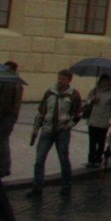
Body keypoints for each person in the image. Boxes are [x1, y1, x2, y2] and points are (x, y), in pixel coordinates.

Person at [29, 67, 81, 195]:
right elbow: (41, 111)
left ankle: (66, 185)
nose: (60, 81)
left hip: (62, 130)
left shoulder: (73, 94)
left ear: (69, 80)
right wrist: (36, 129)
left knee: (63, 158)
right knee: (39, 159)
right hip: (47, 129)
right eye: (59, 78)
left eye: (63, 79)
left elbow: (78, 113)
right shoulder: (50, 92)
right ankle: (37, 186)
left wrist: (69, 125)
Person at [85, 72, 111, 168]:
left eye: (106, 81)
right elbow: (86, 103)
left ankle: (98, 159)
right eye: (102, 80)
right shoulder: (94, 91)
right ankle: (91, 159)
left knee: (101, 141)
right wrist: (92, 100)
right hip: (92, 120)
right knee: (92, 142)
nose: (104, 82)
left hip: (103, 121)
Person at [0, 63, 22, 178]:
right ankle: (6, 167)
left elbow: (5, 103)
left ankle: (2, 168)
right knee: (4, 141)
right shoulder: (17, 83)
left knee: (2, 142)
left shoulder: (8, 84)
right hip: (12, 116)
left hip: (6, 116)